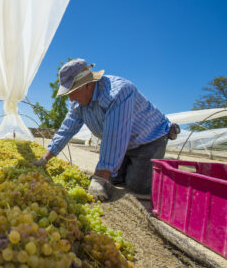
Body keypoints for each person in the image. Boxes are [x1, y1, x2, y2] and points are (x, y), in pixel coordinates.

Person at [34, 58, 180, 201]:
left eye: (72, 91)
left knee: (138, 187)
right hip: (125, 144)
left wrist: (99, 178)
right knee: (115, 179)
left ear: (87, 85)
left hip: (149, 139)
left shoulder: (119, 92)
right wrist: (44, 158)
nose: (70, 99)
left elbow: (114, 136)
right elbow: (66, 129)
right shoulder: (77, 103)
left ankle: (162, 167)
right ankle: (140, 165)